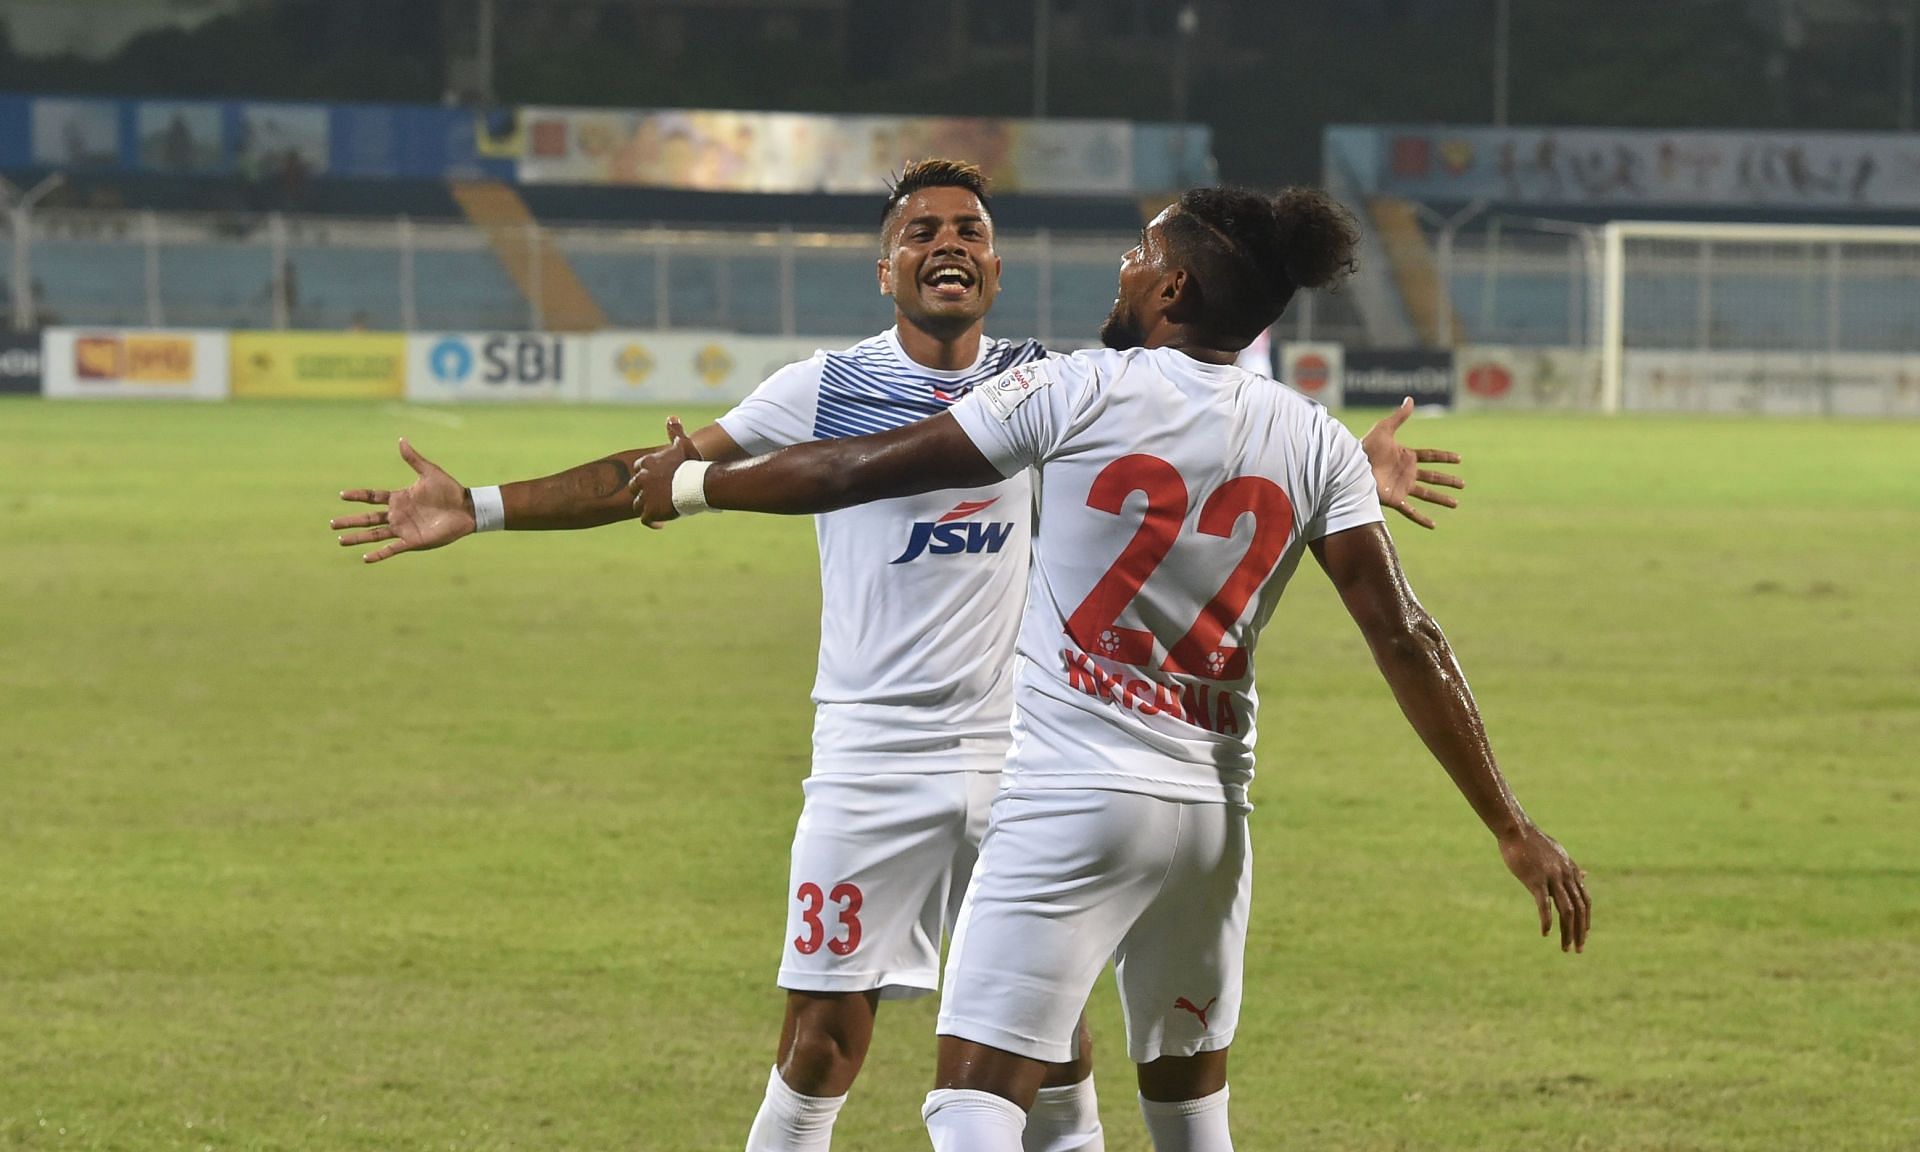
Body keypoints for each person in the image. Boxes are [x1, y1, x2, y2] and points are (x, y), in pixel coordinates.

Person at [329, 162, 1465, 1152]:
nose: (947, 244)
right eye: (920, 231)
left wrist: (1340, 475)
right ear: (885, 270)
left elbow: (1201, 432)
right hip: (872, 761)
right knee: (821, 1046)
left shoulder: (1061, 384)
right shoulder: (822, 388)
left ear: (997, 266)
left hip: (1030, 764)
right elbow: (654, 468)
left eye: (969, 229)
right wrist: (479, 506)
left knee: (1055, 1056)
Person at [630, 185, 1589, 1152]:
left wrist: (693, 482)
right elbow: (1408, 637)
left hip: (1074, 799)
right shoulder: (1314, 439)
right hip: (1214, 820)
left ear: (1172, 286)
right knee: (1189, 1118)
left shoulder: (1079, 389)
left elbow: (861, 468)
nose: (1122, 266)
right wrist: (1511, 824)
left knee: (971, 1100)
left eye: (1139, 251)